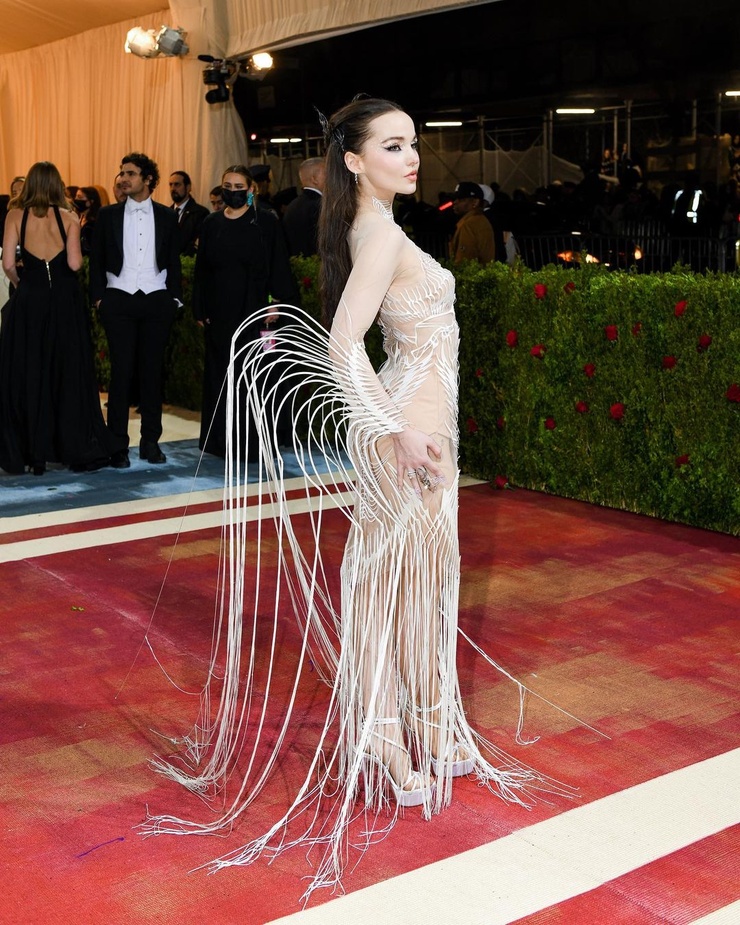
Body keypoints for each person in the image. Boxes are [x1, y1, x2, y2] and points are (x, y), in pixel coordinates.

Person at [144, 98, 564, 900]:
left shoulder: (377, 230)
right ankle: (387, 735)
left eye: (413, 144)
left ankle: (427, 724)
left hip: (421, 419)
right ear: (353, 159)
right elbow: (341, 346)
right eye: (393, 145)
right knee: (392, 583)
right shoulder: (378, 235)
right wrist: (395, 430)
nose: (412, 157)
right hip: (410, 426)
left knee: (416, 581)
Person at [0, 161, 120, 474]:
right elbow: (76, 264)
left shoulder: (15, 215)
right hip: (65, 301)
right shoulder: (69, 217)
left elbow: (9, 263)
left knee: (30, 370)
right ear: (57, 184)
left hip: (30, 300)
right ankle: (67, 444)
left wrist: (22, 285)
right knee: (66, 371)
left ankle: (33, 453)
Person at [192, 164, 299, 458]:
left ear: (252, 190)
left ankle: (257, 442)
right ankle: (221, 442)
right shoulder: (211, 223)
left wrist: (276, 302)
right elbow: (202, 270)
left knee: (258, 373)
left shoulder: (265, 222)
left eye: (239, 187)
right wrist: (200, 307)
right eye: (228, 186)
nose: (233, 192)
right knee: (221, 374)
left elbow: (278, 264)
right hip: (220, 312)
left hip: (258, 312)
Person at [89, 152, 182, 468]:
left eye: (130, 173)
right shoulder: (107, 215)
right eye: (122, 173)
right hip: (118, 299)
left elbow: (173, 259)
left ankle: (150, 442)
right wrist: (100, 299)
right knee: (121, 374)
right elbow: (96, 261)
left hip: (156, 299)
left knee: (152, 374)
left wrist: (174, 298)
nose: (123, 178)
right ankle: (117, 445)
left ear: (147, 179)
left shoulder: (167, 216)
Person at [281, 156, 326, 256]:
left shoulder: (292, 205)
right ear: (314, 179)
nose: (332, 178)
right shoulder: (321, 206)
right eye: (326, 173)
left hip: (298, 263)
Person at [449, 181, 495, 264]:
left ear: (475, 202)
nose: (455, 202)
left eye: (461, 199)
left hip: (473, 271)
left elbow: (463, 261)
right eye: (455, 199)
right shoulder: (480, 220)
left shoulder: (469, 224)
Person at [168, 170, 209, 256]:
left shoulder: (200, 213)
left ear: (188, 187)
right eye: (170, 185)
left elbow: (198, 243)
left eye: (177, 184)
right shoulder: (166, 213)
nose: (173, 189)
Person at [73, 186, 102, 255]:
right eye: (76, 196)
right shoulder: (80, 218)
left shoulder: (94, 222)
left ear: (90, 201)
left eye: (80, 197)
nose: (76, 200)